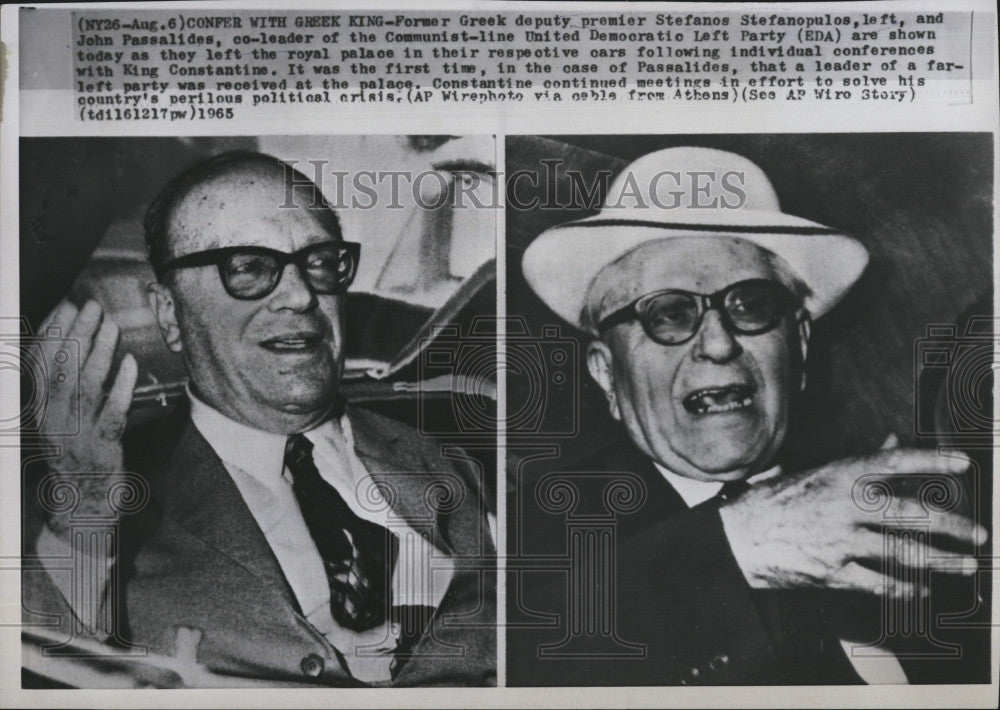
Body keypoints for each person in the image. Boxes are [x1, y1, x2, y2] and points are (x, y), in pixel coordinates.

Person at [508, 146, 986, 685]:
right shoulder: (525, 536)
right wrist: (735, 546)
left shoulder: (898, 522)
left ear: (800, 347)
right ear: (606, 375)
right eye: (668, 313)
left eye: (752, 306)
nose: (717, 343)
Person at [25, 151, 496, 687]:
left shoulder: (450, 449)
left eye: (320, 262)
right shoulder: (96, 493)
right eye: (248, 268)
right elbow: (42, 675)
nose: (300, 296)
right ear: (169, 313)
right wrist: (86, 510)